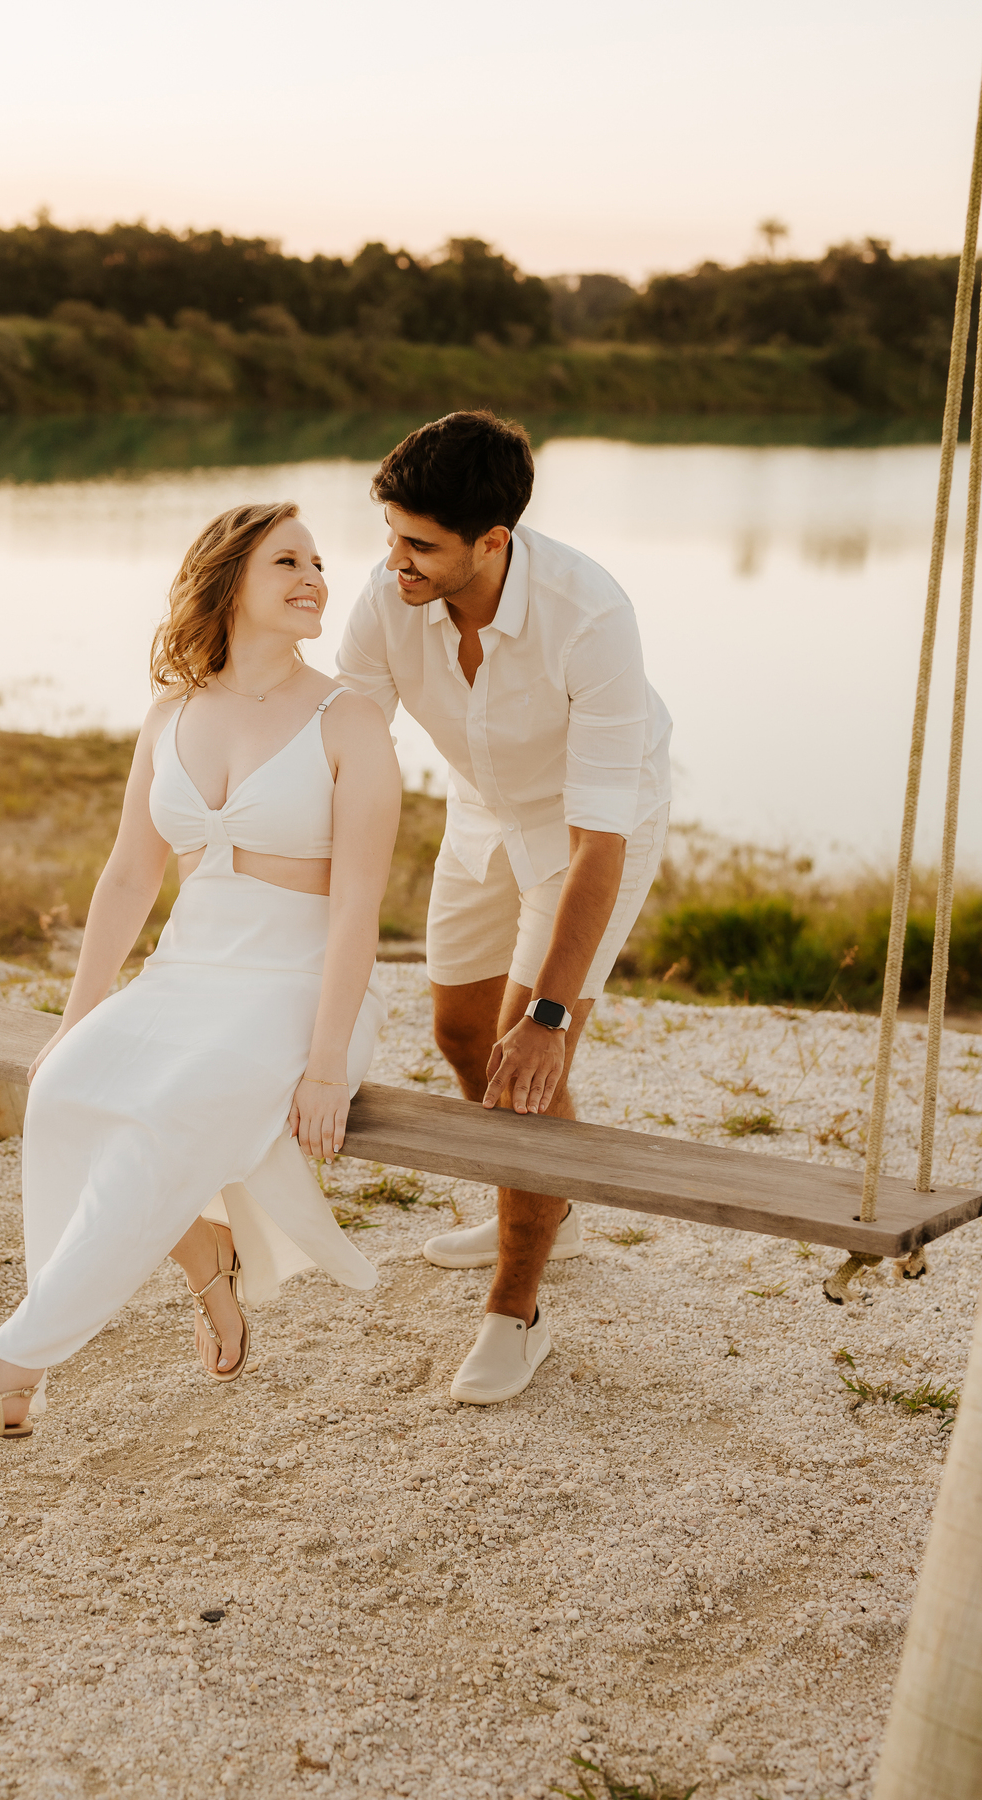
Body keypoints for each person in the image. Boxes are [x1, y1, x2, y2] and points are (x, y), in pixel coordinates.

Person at [0, 501, 400, 1447]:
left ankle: (7, 1375)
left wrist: (327, 1064)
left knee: (163, 1118)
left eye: (320, 561)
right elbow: (129, 874)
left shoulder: (350, 720)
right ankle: (207, 1260)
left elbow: (361, 905)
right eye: (288, 560)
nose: (316, 576)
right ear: (229, 578)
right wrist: (75, 1019)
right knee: (67, 1093)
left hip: (303, 985)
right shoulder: (172, 714)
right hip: (187, 973)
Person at [337, 411, 671, 1406]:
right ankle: (539, 1198)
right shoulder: (389, 593)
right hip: (482, 812)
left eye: (419, 545)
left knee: (527, 1066)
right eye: (390, 534)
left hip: (586, 830)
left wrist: (555, 1019)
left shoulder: (591, 615)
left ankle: (515, 1311)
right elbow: (348, 748)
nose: (394, 561)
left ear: (495, 541)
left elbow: (599, 844)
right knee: (460, 1035)